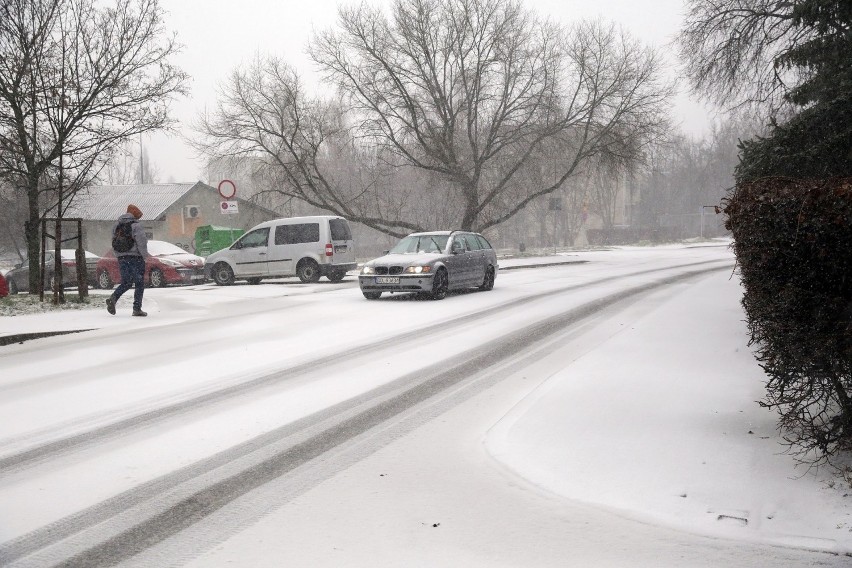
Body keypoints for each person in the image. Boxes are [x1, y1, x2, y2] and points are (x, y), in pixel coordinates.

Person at [106, 204, 150, 316]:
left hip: (122, 258)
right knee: (139, 283)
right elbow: (141, 242)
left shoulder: (116, 225)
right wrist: (144, 256)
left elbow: (113, 242)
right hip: (136, 258)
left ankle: (114, 297)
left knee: (127, 282)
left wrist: (119, 255)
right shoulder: (136, 226)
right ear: (135, 215)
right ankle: (137, 308)